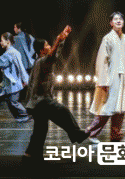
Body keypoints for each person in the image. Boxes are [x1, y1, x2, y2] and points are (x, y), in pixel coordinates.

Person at [23, 25, 89, 160]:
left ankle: (30, 154)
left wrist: (62, 39)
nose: (49, 46)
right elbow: (52, 55)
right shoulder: (42, 61)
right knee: (63, 110)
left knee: (41, 129)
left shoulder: (41, 62)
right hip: (40, 101)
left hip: (37, 103)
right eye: (47, 45)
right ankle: (76, 134)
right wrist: (58, 40)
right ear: (41, 50)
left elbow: (54, 54)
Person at [85, 12, 125, 143]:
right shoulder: (107, 38)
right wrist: (103, 80)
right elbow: (102, 60)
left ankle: (116, 135)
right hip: (112, 77)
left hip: (122, 77)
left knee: (120, 108)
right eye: (115, 19)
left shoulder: (124, 38)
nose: (118, 21)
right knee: (107, 107)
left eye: (120, 19)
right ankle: (91, 133)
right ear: (111, 23)